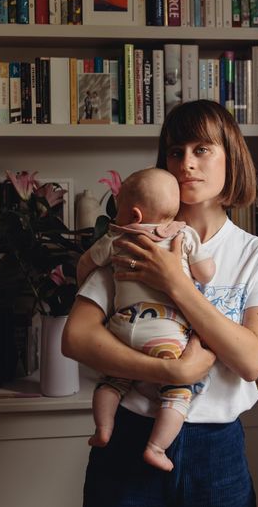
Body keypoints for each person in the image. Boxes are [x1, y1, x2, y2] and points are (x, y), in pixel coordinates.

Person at [62, 99, 258, 507]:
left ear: (231, 158)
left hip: (217, 456)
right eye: (175, 151)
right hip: (128, 441)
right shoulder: (134, 236)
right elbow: (76, 338)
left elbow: (251, 361)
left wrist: (176, 284)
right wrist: (175, 368)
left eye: (202, 150)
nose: (187, 163)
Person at [78, 167, 216, 472]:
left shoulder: (116, 237)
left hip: (122, 327)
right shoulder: (184, 234)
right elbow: (206, 272)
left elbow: (85, 265)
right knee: (178, 391)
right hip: (163, 331)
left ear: (135, 215)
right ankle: (156, 447)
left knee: (112, 380)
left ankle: (102, 428)